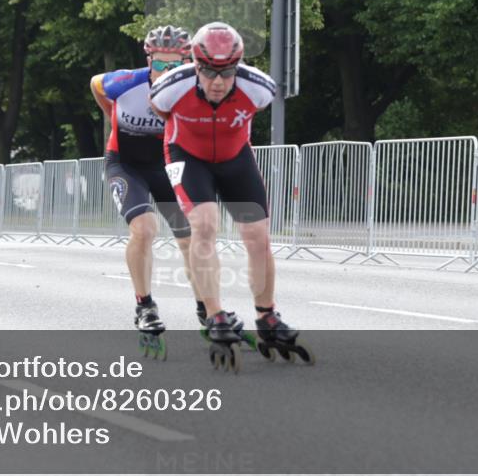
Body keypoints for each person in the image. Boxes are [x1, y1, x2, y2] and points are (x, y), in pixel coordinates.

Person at [149, 21, 312, 370]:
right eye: (209, 72)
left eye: (227, 72)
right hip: (187, 156)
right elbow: (163, 117)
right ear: (195, 65)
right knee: (204, 226)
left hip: (236, 157)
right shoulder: (169, 89)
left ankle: (266, 315)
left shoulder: (259, 88)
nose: (219, 81)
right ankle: (215, 314)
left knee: (258, 237)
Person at [89, 25, 197, 359]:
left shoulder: (190, 87)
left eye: (175, 65)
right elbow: (95, 83)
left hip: (165, 164)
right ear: (148, 59)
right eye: (160, 64)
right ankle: (145, 305)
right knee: (145, 229)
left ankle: (207, 307)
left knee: (190, 234)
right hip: (126, 164)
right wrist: (111, 113)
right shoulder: (128, 81)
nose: (167, 72)